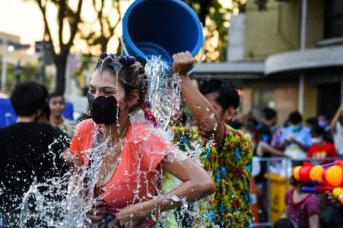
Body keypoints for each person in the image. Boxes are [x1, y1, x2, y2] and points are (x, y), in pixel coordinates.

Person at [67, 54, 215, 227]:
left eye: (107, 92)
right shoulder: (86, 130)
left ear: (132, 98)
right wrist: (85, 207)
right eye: (92, 90)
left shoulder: (144, 138)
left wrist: (144, 209)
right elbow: (75, 188)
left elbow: (203, 182)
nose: (96, 98)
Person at [0, 82, 70, 227]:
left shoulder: (0, 136)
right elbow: (73, 157)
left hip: (13, 211)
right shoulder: (49, 132)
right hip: (46, 209)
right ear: (40, 108)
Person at [172, 51, 253, 226]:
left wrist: (183, 77)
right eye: (198, 104)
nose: (198, 111)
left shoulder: (241, 141)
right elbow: (153, 135)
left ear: (230, 113)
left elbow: (211, 124)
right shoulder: (191, 135)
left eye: (210, 107)